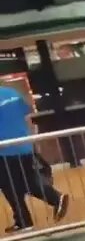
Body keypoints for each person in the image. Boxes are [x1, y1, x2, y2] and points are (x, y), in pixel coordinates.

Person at [0, 85, 69, 233]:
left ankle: (50, 201)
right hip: (24, 145)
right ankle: (24, 219)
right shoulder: (12, 93)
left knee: (10, 184)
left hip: (5, 150)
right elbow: (28, 114)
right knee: (23, 180)